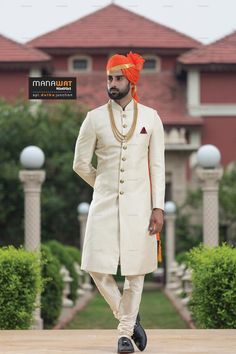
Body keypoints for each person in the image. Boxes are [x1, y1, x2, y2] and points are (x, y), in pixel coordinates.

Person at [73, 51, 165, 353]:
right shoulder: (94, 118)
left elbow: (157, 167)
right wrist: (101, 183)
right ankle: (129, 316)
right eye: (109, 78)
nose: (112, 83)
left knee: (135, 271)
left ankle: (124, 335)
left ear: (131, 80)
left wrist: (158, 207)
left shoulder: (151, 118)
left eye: (117, 78)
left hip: (140, 207)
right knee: (96, 266)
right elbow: (80, 163)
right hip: (103, 203)